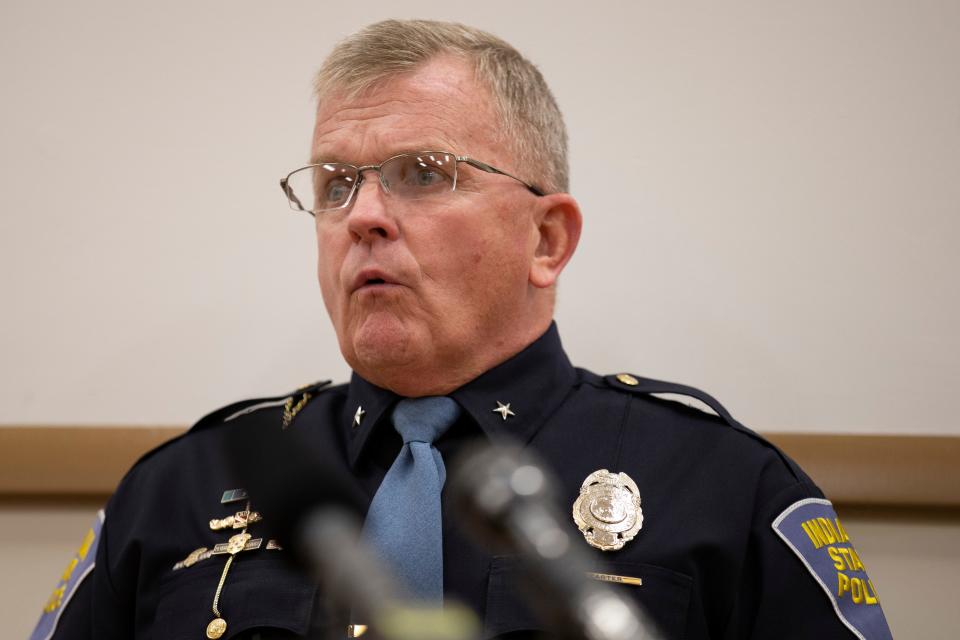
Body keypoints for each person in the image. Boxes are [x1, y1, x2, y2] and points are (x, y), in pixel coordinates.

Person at [33, 19, 892, 640]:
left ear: (546, 239)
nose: (362, 215)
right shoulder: (181, 487)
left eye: (422, 174)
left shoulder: (725, 487)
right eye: (335, 184)